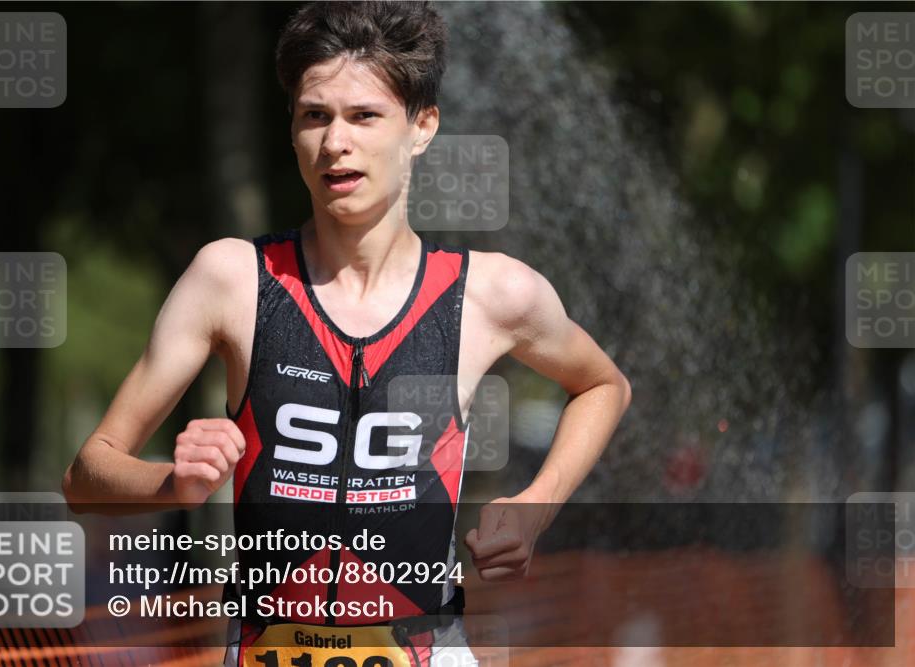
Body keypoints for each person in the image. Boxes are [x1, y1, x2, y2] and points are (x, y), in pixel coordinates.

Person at [62, 2, 631, 666]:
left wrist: (537, 504)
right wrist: (174, 484)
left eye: (364, 116)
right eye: (315, 116)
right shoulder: (232, 279)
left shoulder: (491, 294)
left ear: (422, 127)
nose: (336, 143)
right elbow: (85, 476)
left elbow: (603, 384)